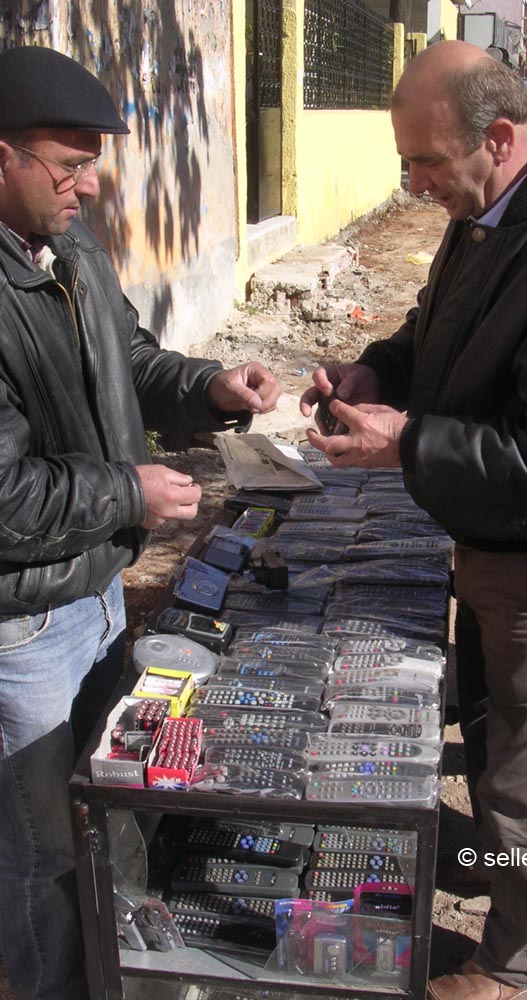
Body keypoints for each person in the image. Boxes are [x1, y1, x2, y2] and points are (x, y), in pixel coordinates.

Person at [301, 39, 527, 1000]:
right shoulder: (489, 212)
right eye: (405, 163)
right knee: (498, 750)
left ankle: (522, 965)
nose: (414, 185)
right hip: (494, 541)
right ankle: (502, 885)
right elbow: (435, 329)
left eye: (425, 163)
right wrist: (380, 370)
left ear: (498, 138)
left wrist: (406, 444)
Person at [0, 45, 281, 1000]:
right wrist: (131, 494)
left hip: (95, 590)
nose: (88, 185)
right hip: (24, 626)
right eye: (67, 162)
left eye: (92, 163)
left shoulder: (72, 248)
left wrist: (209, 386)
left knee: (104, 810)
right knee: (37, 854)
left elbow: (132, 359)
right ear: (1, 155)